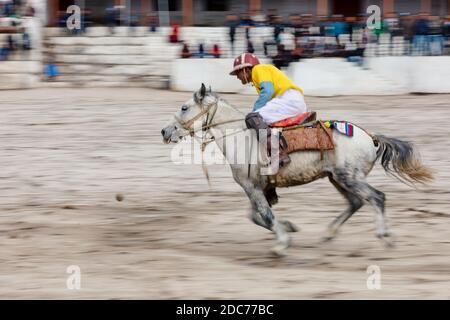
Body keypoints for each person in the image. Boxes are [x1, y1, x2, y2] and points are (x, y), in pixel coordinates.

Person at [229, 53, 309, 167]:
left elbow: (267, 92)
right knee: (257, 119)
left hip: (289, 100)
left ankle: (278, 154)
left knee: (253, 118)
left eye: (238, 72)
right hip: (291, 101)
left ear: (246, 69)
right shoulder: (260, 74)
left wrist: (253, 112)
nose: (237, 76)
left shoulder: (258, 69)